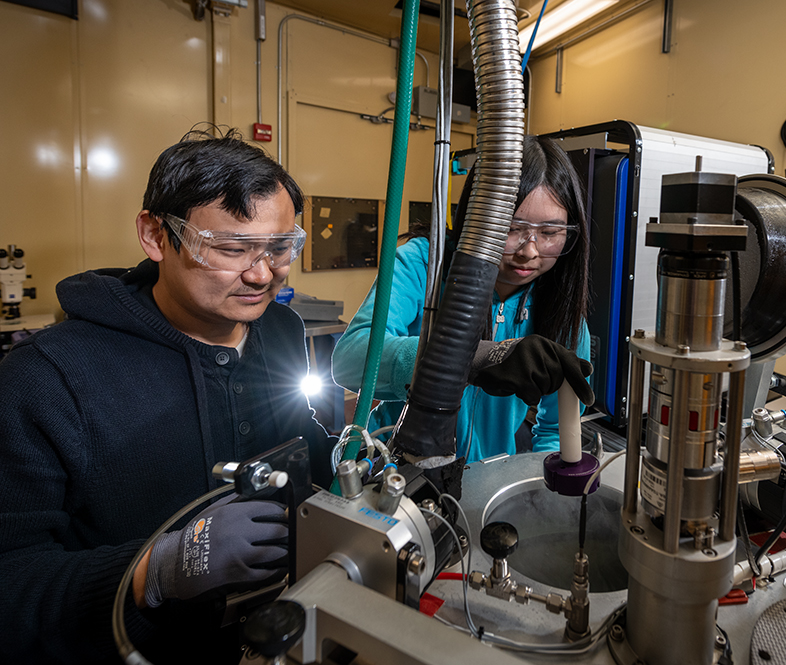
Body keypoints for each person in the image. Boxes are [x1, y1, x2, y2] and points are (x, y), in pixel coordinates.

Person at [0, 127, 334, 664]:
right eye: (231, 248)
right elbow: (11, 580)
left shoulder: (281, 330)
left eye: (280, 247)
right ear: (156, 236)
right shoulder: (50, 377)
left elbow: (305, 444)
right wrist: (156, 570)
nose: (262, 273)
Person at [332, 135, 593, 464]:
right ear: (478, 215)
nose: (530, 251)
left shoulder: (559, 308)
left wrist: (541, 493)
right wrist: (475, 358)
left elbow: (556, 430)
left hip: (483, 483)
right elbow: (350, 361)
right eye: (512, 228)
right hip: (395, 468)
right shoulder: (424, 265)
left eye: (550, 233)